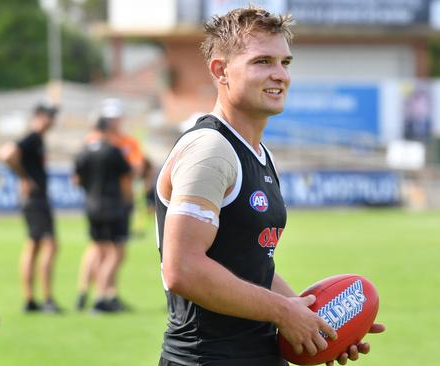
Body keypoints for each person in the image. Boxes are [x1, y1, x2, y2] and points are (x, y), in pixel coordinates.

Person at [155, 7, 385, 366]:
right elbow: (182, 268)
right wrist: (283, 313)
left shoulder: (261, 155)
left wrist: (314, 324)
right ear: (221, 71)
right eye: (262, 61)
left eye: (285, 62)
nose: (280, 75)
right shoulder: (210, 150)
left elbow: (250, 265)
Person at [0, 103, 63, 313]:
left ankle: (30, 299)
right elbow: (6, 153)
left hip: (34, 199)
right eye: (49, 117)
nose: (52, 121)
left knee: (34, 246)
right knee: (50, 245)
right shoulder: (33, 137)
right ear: (39, 116)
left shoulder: (38, 139)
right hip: (35, 199)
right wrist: (24, 178)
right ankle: (46, 299)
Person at [73, 116, 133, 313]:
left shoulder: (83, 152)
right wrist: (127, 202)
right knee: (116, 253)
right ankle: (101, 297)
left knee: (97, 249)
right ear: (108, 130)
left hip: (91, 206)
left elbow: (76, 181)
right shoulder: (113, 151)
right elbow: (126, 179)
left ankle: (84, 291)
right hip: (113, 206)